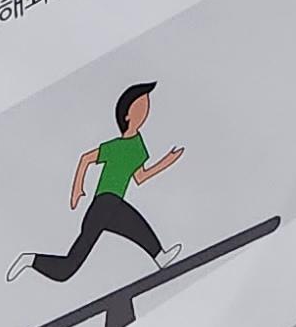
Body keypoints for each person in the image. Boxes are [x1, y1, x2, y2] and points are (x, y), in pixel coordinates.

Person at [14, 79, 184, 288]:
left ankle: (159, 256)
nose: (145, 110)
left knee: (71, 266)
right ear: (127, 115)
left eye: (146, 105)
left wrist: (167, 161)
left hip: (112, 204)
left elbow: (140, 177)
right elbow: (86, 158)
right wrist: (77, 188)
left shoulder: (139, 147)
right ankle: (31, 260)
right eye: (140, 105)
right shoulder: (116, 146)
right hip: (103, 203)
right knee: (69, 267)